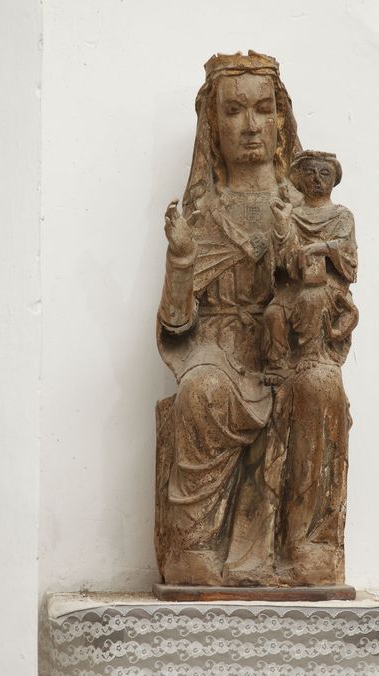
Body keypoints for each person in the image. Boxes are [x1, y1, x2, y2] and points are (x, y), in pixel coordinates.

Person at [155, 51, 302, 586]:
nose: (250, 126)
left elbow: (328, 297)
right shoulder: (202, 215)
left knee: (320, 390)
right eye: (234, 111)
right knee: (202, 391)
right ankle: (194, 547)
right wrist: (181, 261)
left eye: (263, 109)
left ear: (281, 120)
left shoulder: (304, 211)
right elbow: (177, 325)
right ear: (212, 125)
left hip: (286, 347)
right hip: (216, 350)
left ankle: (309, 547)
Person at [263, 150, 358, 385]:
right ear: (300, 178)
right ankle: (279, 363)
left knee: (311, 298)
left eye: (324, 173)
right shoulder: (294, 215)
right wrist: (282, 225)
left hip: (329, 287)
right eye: (310, 173)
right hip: (297, 283)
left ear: (333, 180)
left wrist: (319, 248)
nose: (316, 179)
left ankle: (311, 354)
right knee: (274, 312)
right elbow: (284, 258)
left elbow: (345, 248)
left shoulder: (341, 215)